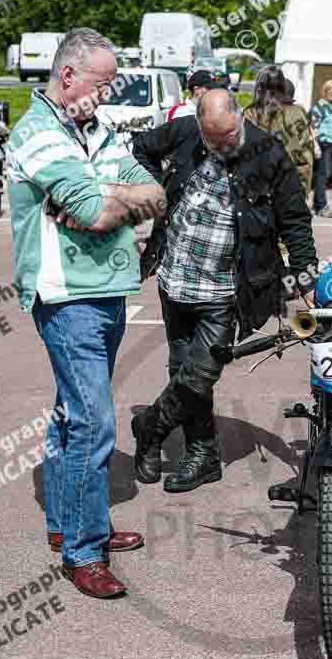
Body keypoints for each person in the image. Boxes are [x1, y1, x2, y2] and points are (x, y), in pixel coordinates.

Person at [6, 28, 166, 599]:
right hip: (67, 297)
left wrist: (108, 200)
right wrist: (107, 201)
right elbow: (94, 212)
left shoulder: (98, 130)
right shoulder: (38, 133)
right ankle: (83, 550)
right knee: (94, 422)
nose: (107, 94)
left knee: (70, 416)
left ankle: (65, 525)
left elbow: (154, 192)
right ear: (68, 76)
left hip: (108, 291)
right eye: (101, 83)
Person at [131, 89, 318, 491]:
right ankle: (204, 456)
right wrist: (152, 191)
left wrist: (305, 279)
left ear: (240, 117)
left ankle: (148, 428)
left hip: (225, 290)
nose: (221, 146)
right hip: (175, 277)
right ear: (198, 125)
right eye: (212, 139)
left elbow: (296, 221)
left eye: (228, 137)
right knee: (181, 370)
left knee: (198, 376)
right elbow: (139, 148)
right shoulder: (182, 133)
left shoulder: (269, 153)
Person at [243, 66, 314, 195]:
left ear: (259, 86)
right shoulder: (297, 113)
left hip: (258, 188)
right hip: (289, 186)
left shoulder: (249, 114)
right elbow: (306, 153)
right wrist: (304, 189)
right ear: (282, 85)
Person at [310, 79, 332, 218]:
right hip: (322, 144)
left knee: (322, 175)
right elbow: (313, 127)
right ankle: (322, 206)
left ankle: (315, 203)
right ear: (325, 91)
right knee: (322, 176)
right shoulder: (320, 107)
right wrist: (315, 145)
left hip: (331, 145)